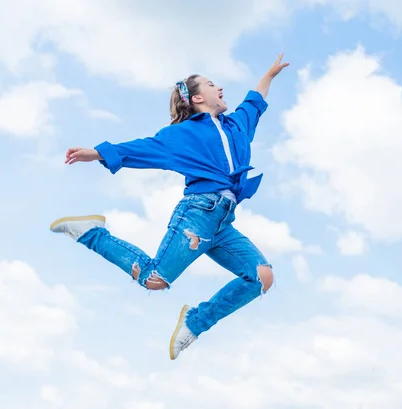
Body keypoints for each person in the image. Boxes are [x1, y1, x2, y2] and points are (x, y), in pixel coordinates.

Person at [50, 53, 290, 360]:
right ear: (198, 97)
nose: (222, 88)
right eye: (213, 84)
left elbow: (254, 102)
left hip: (222, 222)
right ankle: (91, 233)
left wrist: (269, 74)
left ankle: (196, 321)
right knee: (154, 279)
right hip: (197, 214)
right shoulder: (182, 134)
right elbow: (142, 148)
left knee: (261, 277)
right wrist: (96, 153)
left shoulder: (237, 126)